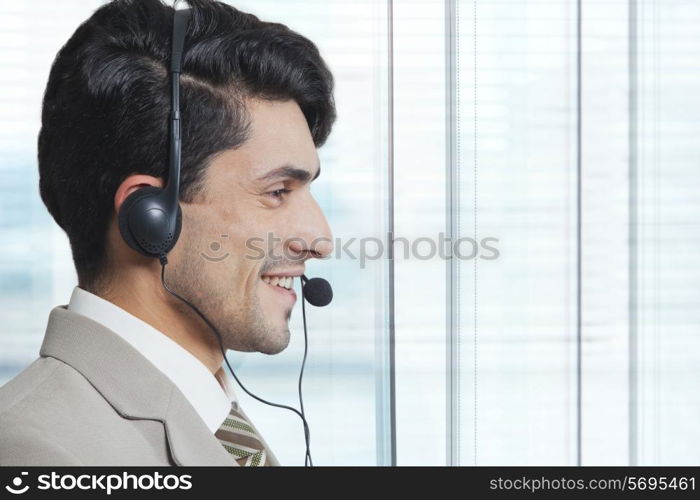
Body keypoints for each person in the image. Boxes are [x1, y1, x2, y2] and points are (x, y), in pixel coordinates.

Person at [0, 0, 335, 466]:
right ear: (151, 217)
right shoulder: (36, 451)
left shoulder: (210, 417)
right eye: (278, 191)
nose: (320, 239)